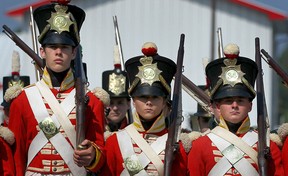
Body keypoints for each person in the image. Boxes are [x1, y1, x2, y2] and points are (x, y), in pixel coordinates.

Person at [8, 1, 105, 175]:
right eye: (52, 47)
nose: (58, 52)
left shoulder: (93, 101)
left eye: (65, 47)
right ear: (43, 51)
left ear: (74, 52)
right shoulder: (22, 100)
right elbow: (16, 158)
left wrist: (92, 156)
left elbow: (101, 156)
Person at [188, 43, 284, 175]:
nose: (234, 105)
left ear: (250, 105)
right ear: (217, 106)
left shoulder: (267, 145)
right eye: (228, 101)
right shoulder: (200, 145)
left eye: (240, 100)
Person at [99, 42, 187, 175]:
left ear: (164, 102)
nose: (149, 102)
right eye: (143, 97)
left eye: (155, 97)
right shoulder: (114, 141)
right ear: (133, 101)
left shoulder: (176, 144)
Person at [102, 47, 131, 132]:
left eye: (120, 103)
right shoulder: (95, 129)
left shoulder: (134, 132)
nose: (115, 108)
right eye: (111, 103)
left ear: (128, 104)